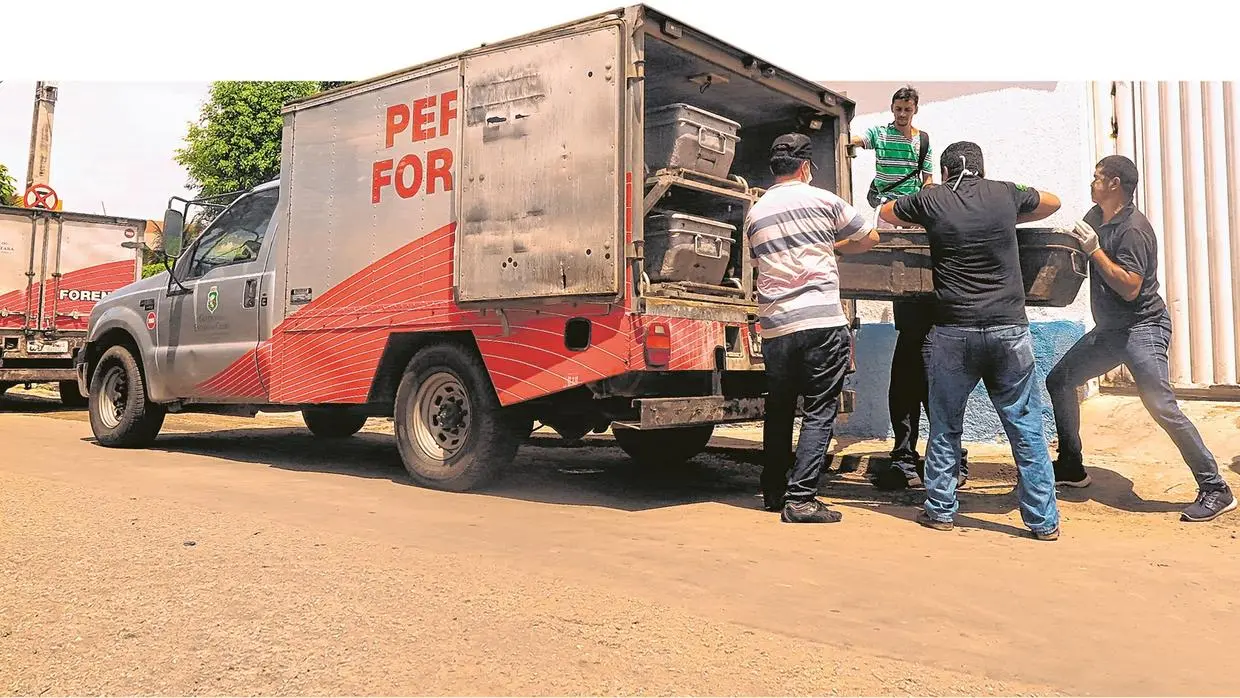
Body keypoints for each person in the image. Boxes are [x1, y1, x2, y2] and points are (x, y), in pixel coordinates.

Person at [879, 141, 1063, 540]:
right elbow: (1053, 201)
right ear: (982, 167)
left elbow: (886, 212)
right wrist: (1014, 211)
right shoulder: (1003, 193)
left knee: (945, 426)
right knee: (1025, 426)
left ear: (946, 171)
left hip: (953, 332)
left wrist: (926, 212)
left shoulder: (933, 198)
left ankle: (941, 510)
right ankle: (1043, 521)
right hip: (1009, 331)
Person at [1047, 155, 1236, 523]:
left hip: (1142, 327)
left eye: (1097, 177)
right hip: (1110, 332)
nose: (1092, 182)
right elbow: (1084, 260)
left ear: (1115, 183)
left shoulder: (1134, 229)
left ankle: (1215, 487)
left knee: (1160, 405)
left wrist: (1095, 250)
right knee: (1060, 380)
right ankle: (1071, 465)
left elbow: (1131, 288)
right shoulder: (1095, 217)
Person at [747, 133, 880, 523]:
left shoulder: (756, 212)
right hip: (820, 321)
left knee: (780, 409)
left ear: (775, 168)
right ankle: (801, 499)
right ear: (806, 167)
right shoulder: (823, 200)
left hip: (775, 326)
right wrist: (832, 246)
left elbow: (760, 257)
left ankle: (773, 491)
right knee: (819, 411)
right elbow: (868, 237)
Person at [848, 86, 969, 491]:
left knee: (914, 380)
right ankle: (922, 458)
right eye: (897, 108)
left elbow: (928, 183)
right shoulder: (941, 224)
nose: (902, 114)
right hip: (928, 325)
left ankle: (914, 458)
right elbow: (856, 141)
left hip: (926, 327)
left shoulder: (932, 194)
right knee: (922, 381)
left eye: (907, 109)